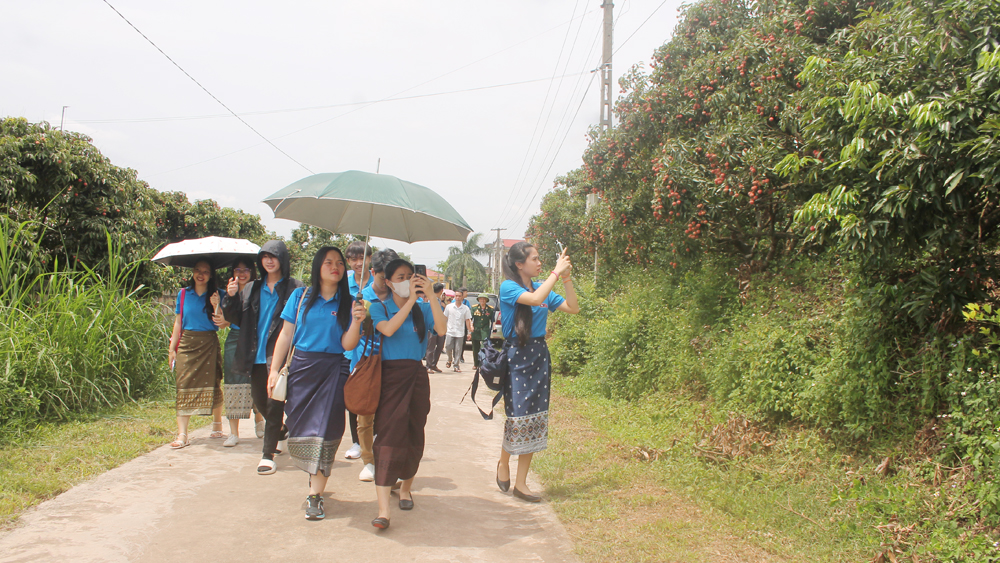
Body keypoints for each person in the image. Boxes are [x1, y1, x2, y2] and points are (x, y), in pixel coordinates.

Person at [266, 247, 367, 520]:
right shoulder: (299, 297)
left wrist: (357, 321)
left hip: (334, 369)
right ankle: (313, 477)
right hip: (301, 370)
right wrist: (274, 370)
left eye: (338, 263)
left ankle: (315, 495)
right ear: (317, 266)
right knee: (302, 428)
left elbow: (347, 344)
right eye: (328, 262)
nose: (334, 267)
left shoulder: (349, 302)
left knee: (325, 432)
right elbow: (286, 336)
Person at [496, 242, 579, 502]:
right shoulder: (509, 287)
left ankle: (521, 484)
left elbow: (573, 308)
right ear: (519, 264)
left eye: (540, 258)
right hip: (517, 357)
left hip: (539, 356)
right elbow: (534, 299)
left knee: (534, 417)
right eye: (534, 259)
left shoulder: (543, 287)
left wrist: (566, 278)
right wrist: (556, 273)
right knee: (518, 415)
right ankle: (503, 461)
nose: (539, 262)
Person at [368, 259, 446, 529]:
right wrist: (411, 300)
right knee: (388, 436)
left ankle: (405, 488)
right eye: (401, 277)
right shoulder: (379, 307)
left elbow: (442, 329)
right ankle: (382, 510)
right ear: (388, 282)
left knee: (414, 432)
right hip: (390, 378)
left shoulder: (423, 308)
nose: (408, 281)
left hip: (416, 375)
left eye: (411, 276)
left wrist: (430, 297)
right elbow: (388, 329)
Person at [221, 240, 304, 475]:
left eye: (274, 256)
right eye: (265, 256)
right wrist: (231, 297)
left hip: (279, 356)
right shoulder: (251, 288)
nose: (269, 260)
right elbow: (235, 318)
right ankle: (281, 431)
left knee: (273, 402)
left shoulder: (295, 288)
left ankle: (267, 455)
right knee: (259, 400)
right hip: (254, 355)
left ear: (282, 260)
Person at [167, 260, 225, 449]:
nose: (201, 274)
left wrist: (216, 305)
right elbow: (178, 322)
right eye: (198, 270)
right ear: (192, 272)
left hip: (209, 342)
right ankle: (182, 434)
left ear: (211, 275)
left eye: (206, 271)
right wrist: (172, 349)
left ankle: (217, 424)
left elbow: (221, 323)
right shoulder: (183, 294)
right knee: (182, 384)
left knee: (213, 381)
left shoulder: (218, 294)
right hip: (187, 343)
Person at [218, 259, 265, 447]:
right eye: (238, 269)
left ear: (253, 272)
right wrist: (230, 296)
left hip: (255, 338)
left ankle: (259, 419)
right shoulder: (230, 291)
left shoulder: (260, 290)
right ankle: (233, 432)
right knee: (232, 382)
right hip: (235, 338)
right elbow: (224, 321)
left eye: (247, 269)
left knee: (257, 380)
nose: (242, 273)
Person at [342, 241, 374, 461]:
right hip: (346, 346)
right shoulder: (343, 281)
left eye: (362, 258)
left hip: (370, 348)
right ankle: (355, 441)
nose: (358, 263)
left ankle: (371, 439)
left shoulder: (378, 282)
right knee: (352, 394)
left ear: (370, 259)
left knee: (370, 394)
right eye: (353, 259)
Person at [443, 292, 472, 372]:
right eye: (456, 296)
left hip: (460, 332)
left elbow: (467, 320)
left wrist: (469, 332)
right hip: (450, 331)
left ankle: (456, 365)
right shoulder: (449, 307)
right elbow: (444, 318)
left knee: (458, 349)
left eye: (459, 296)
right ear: (454, 297)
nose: (458, 297)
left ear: (462, 297)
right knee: (448, 347)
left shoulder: (465, 308)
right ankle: (449, 359)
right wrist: (442, 328)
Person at [424, 283, 447, 373]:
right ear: (441, 290)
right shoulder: (431, 300)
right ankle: (428, 365)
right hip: (432, 326)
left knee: (440, 346)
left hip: (439, 326)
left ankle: (434, 364)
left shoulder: (439, 301)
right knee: (431, 346)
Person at [470, 295, 495, 368]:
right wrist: (471, 326)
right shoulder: (474, 308)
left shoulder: (490, 309)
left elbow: (492, 320)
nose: (482, 301)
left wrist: (494, 327)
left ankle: (483, 363)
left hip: (485, 330)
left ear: (486, 300)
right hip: (476, 330)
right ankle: (476, 364)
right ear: (478, 300)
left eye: (484, 299)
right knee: (475, 347)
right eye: (481, 299)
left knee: (484, 346)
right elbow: (471, 319)